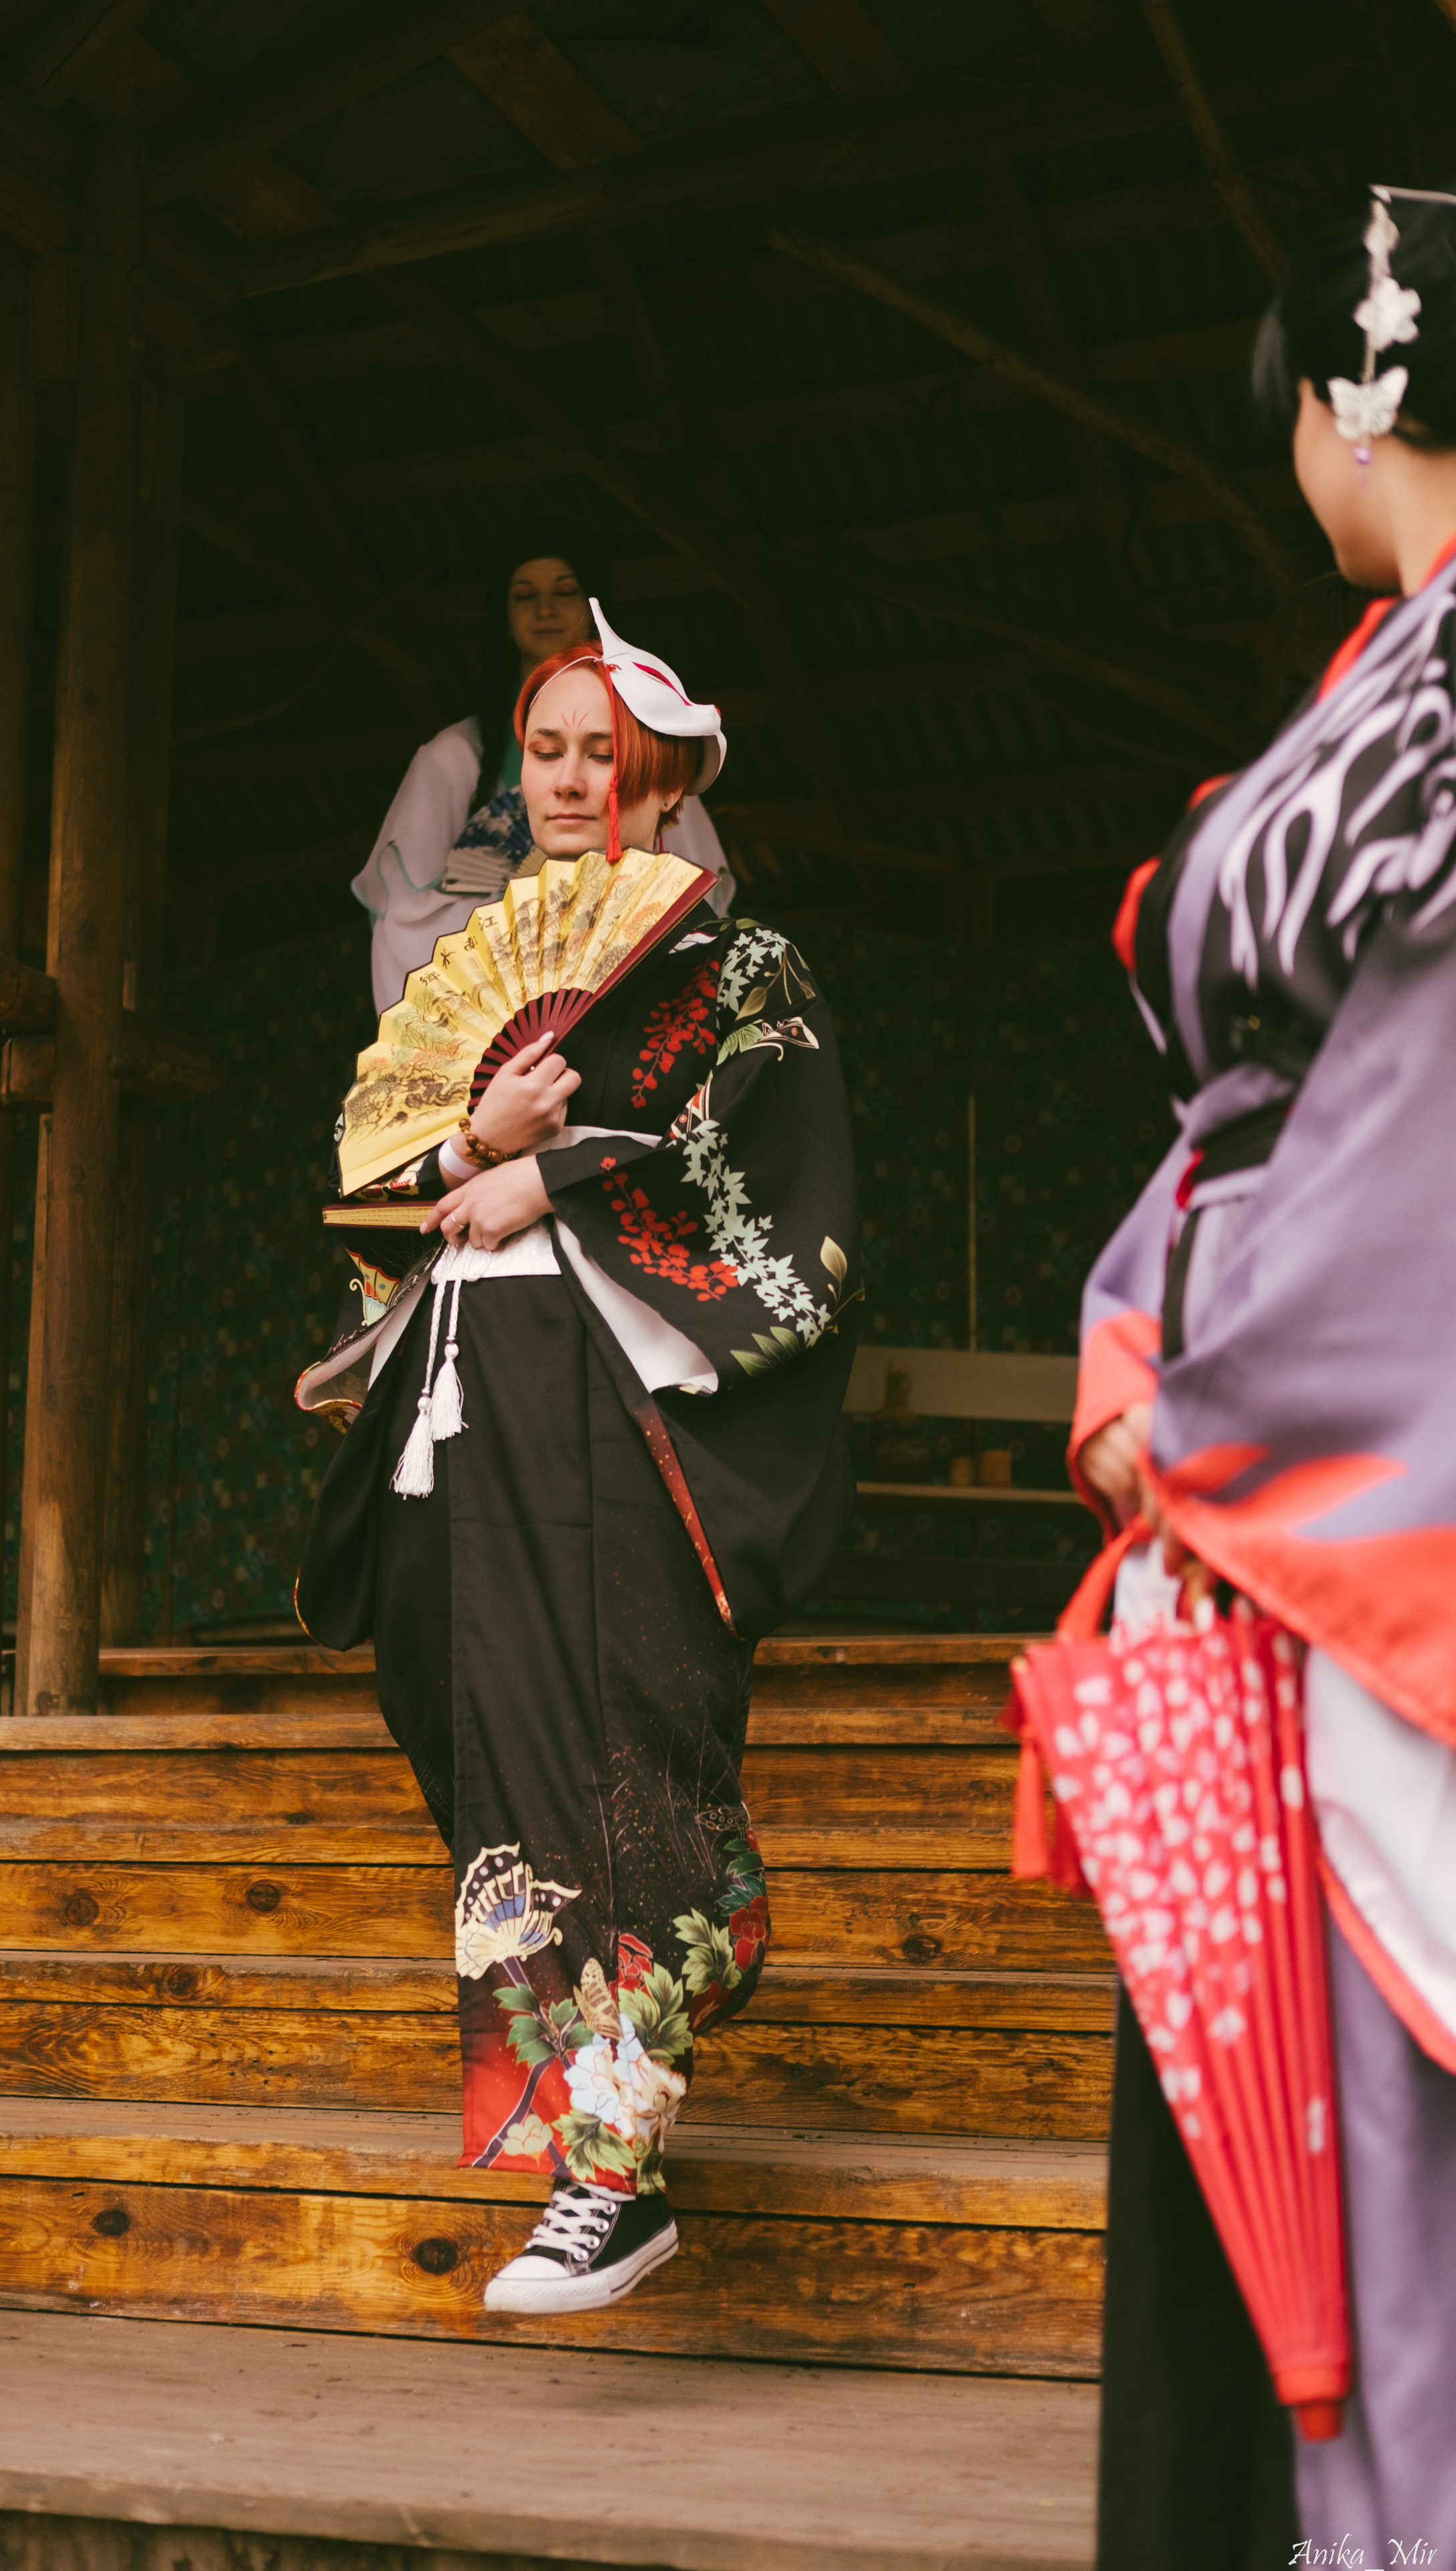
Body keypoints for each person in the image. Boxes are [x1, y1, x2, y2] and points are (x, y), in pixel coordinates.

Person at [296, 612, 858, 2315]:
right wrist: (475, 1139)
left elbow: (780, 1191)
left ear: (662, 773)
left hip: (623, 1401)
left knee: (618, 1739)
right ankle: (586, 2129)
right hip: (472, 1393)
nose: (561, 779)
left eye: (595, 750)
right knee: (481, 1728)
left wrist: (560, 1180)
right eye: (539, 748)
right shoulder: (474, 962)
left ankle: (611, 2171)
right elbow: (375, 1198)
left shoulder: (740, 971)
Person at [1070, 185, 1456, 2570]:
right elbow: (1244, 1131)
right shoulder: (1379, 678)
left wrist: (1204, 1411)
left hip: (1351, 1481)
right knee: (1292, 2166)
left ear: (1344, 399)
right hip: (1263, 1447)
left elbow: (1411, 1114)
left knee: (1387, 2175)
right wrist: (1142, 1316)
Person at [351, 542, 734, 1013]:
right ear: (503, 617)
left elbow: (690, 892)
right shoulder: (455, 756)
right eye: (524, 596)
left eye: (566, 591)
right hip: (505, 1013)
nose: (546, 609)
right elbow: (406, 919)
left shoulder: (646, 746)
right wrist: (515, 919)